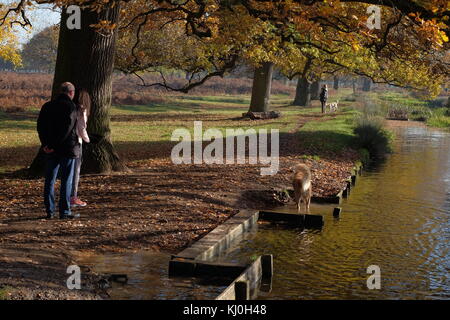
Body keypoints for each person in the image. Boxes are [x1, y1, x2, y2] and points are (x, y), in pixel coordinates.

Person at [37, 82, 81, 219]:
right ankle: (64, 211)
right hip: (67, 149)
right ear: (71, 93)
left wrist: (46, 144)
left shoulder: (47, 106)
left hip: (50, 148)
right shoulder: (71, 107)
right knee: (66, 180)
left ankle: (49, 211)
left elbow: (40, 126)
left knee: (49, 180)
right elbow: (67, 129)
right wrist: (55, 145)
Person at [70, 89, 91, 207]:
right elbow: (81, 128)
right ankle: (73, 197)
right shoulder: (81, 110)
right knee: (75, 171)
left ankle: (69, 196)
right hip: (76, 142)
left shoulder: (70, 108)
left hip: (66, 142)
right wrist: (88, 139)